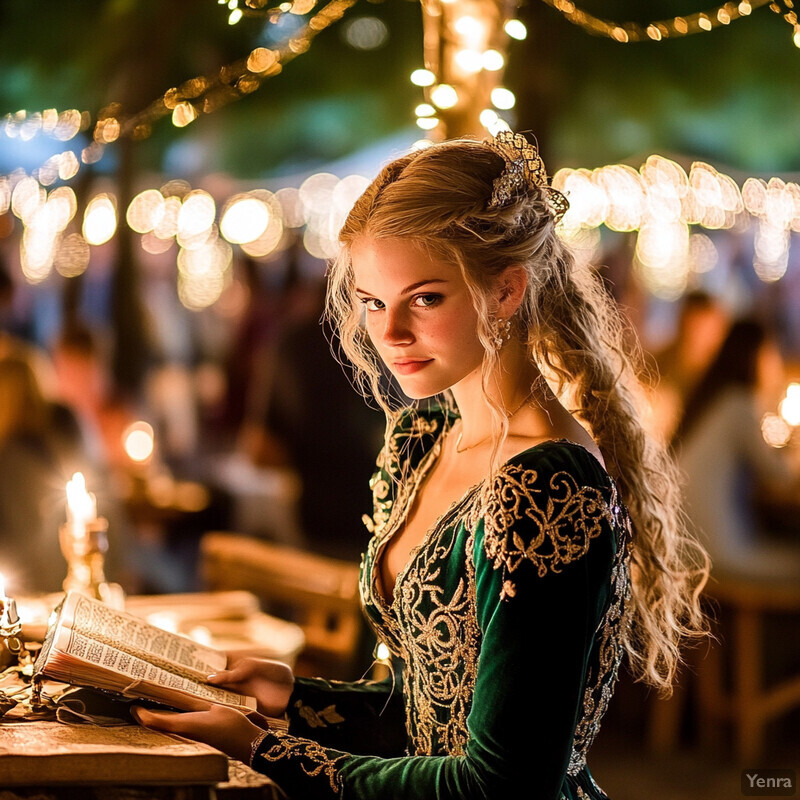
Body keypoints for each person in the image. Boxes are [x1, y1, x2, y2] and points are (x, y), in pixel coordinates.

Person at [133, 132, 708, 799]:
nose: (391, 333)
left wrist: (271, 750)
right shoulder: (424, 435)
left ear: (506, 290)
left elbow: (503, 784)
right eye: (373, 302)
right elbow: (422, 713)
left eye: (425, 298)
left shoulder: (546, 488)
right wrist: (290, 697)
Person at [673, 319, 800, 580]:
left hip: (687, 543)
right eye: (772, 352)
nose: (776, 363)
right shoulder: (738, 406)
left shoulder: (716, 398)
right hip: (715, 552)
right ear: (756, 356)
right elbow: (780, 476)